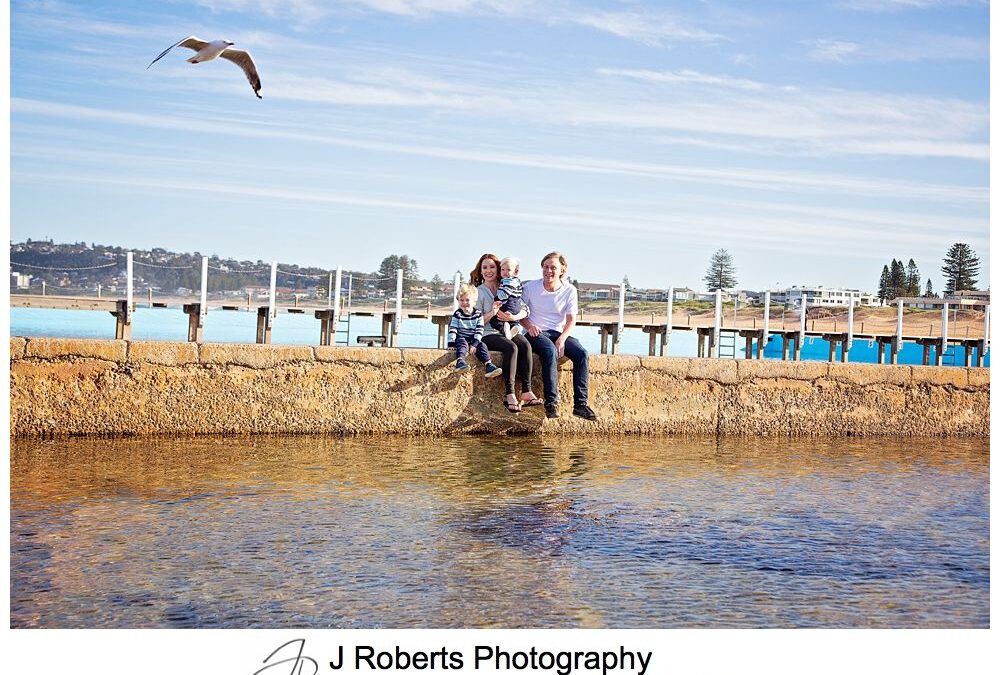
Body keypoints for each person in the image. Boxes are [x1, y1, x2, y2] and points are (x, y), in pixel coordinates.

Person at [520, 251, 597, 421]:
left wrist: (562, 338)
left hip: (557, 332)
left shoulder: (569, 290)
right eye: (545, 267)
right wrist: (529, 326)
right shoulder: (530, 287)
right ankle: (551, 403)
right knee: (549, 351)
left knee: (582, 354)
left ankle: (580, 405)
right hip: (535, 332)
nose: (549, 271)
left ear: (562, 270)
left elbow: (571, 320)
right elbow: (520, 314)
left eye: (553, 268)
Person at [471, 253, 542, 414]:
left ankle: (526, 391)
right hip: (488, 332)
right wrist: (493, 313)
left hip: (509, 327)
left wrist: (513, 317)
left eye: (492, 267)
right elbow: (475, 321)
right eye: (484, 267)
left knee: (525, 345)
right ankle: (510, 394)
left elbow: (524, 309)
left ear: (499, 269)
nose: (488, 270)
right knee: (511, 348)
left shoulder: (508, 285)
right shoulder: (478, 292)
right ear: (480, 271)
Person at [448, 284, 502, 378]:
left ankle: (489, 365)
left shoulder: (478, 314)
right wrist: (451, 343)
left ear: (474, 302)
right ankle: (460, 362)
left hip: (473, 338)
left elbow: (479, 330)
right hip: (461, 337)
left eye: (467, 300)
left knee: (482, 346)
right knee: (462, 343)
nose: (464, 302)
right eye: (461, 300)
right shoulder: (457, 314)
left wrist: (475, 344)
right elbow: (453, 329)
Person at [489, 256, 524, 339]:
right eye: (503, 269)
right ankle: (515, 328)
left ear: (515, 272)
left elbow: (506, 293)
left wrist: (497, 298)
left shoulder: (508, 281)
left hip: (509, 304)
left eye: (508, 270)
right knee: (514, 322)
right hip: (516, 305)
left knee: (495, 321)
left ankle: (504, 329)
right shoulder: (517, 281)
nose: (505, 272)